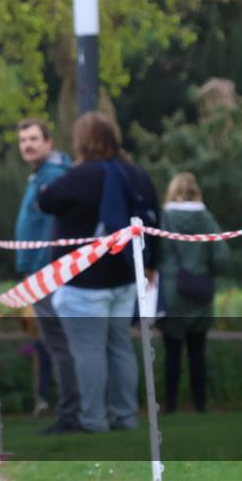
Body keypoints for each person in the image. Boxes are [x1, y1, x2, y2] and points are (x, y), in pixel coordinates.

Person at [37, 111, 160, 432]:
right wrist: (151, 265)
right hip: (124, 277)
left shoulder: (83, 176)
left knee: (88, 350)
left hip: (84, 280)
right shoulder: (135, 174)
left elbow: (46, 200)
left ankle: (93, 420)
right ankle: (126, 416)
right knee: (120, 346)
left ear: (82, 141)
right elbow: (154, 221)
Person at [13, 118, 79, 432]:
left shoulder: (52, 178)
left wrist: (39, 270)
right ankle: (72, 410)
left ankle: (71, 413)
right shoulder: (40, 176)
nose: (27, 144)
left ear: (49, 142)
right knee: (57, 345)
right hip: (38, 273)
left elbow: (53, 230)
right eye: (23, 139)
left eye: (33, 138)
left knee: (60, 344)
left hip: (47, 275)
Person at [156, 173, 229, 413]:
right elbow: (221, 256)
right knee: (198, 354)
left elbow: (157, 251)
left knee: (172, 353)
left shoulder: (165, 217)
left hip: (173, 291)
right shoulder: (206, 217)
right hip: (201, 293)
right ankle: (200, 404)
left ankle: (171, 406)